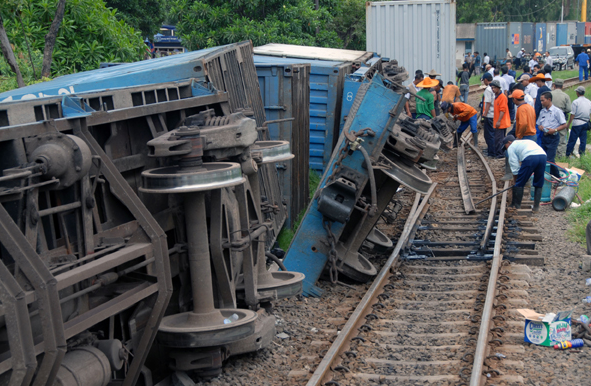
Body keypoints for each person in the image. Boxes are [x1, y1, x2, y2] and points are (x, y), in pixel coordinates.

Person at [503, 135, 547, 212]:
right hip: (543, 156)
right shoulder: (526, 141)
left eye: (505, 146)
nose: (506, 149)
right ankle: (536, 208)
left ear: (509, 142)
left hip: (530, 157)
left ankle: (517, 206)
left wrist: (516, 181)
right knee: (539, 182)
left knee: (520, 183)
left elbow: (514, 166)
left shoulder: (511, 147)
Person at [537, 91, 567, 179]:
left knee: (550, 160)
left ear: (549, 99)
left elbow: (564, 125)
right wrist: (540, 127)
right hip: (544, 137)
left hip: (553, 138)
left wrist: (555, 130)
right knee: (543, 158)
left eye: (543, 100)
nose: (541, 103)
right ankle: (546, 176)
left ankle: (556, 177)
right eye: (541, 101)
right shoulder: (542, 111)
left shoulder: (557, 111)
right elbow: (538, 124)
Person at [566, 86, 591, 157]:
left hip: (577, 123)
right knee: (583, 140)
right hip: (585, 123)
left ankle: (568, 154)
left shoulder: (575, 102)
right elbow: (589, 114)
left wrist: (568, 124)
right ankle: (582, 155)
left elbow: (572, 114)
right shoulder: (589, 102)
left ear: (577, 93)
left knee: (572, 140)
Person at [551, 79, 571, 157]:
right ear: (562, 86)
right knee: (562, 136)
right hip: (561, 118)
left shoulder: (550, 94)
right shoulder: (566, 96)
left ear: (554, 85)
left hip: (551, 117)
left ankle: (552, 154)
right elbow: (569, 109)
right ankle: (560, 155)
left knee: (551, 135)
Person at [491, 79, 511, 157]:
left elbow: (502, 110)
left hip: (501, 122)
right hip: (498, 121)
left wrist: (498, 121)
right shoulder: (497, 96)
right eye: (492, 88)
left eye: (494, 88)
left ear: (498, 88)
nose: (493, 89)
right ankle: (499, 152)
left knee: (499, 138)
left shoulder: (502, 97)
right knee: (499, 138)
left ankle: (500, 153)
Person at [481, 73, 496, 157]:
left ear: (486, 79)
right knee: (493, 134)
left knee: (489, 135)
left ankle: (491, 152)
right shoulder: (494, 87)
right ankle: (492, 150)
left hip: (489, 115)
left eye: (483, 80)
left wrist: (484, 115)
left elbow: (488, 103)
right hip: (494, 114)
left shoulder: (488, 89)